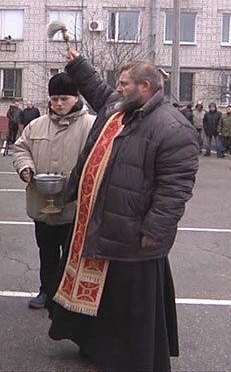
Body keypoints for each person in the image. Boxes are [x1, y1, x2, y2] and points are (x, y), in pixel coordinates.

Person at [49, 49, 199, 372]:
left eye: (124, 83)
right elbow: (97, 90)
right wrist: (76, 64)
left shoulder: (172, 127)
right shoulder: (122, 110)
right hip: (104, 226)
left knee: (133, 308)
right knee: (106, 301)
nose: (117, 88)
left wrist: (154, 231)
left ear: (144, 87)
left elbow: (174, 190)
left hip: (135, 234)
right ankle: (98, 349)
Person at [13, 73, 95, 310]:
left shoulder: (91, 125)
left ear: (76, 97)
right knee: (47, 252)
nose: (59, 104)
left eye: (64, 98)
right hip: (42, 203)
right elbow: (21, 149)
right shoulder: (36, 125)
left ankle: (67, 296)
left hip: (75, 207)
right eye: (55, 98)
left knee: (72, 256)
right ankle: (47, 291)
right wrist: (25, 168)